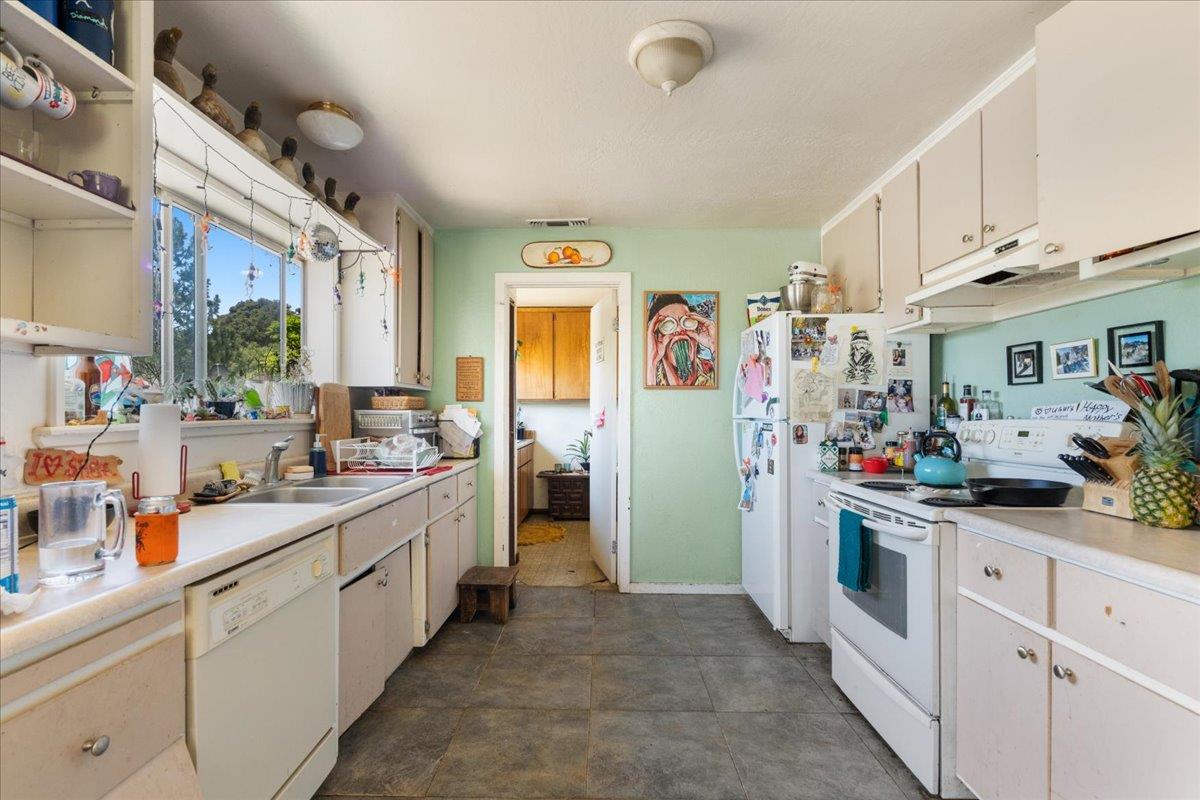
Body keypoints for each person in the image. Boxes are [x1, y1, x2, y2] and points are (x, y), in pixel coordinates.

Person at [646, 293, 716, 387]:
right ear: (656, 337)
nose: (679, 330)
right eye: (668, 325)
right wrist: (651, 362)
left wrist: (714, 344)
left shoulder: (714, 370)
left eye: (686, 321)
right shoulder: (651, 376)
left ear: (697, 329)